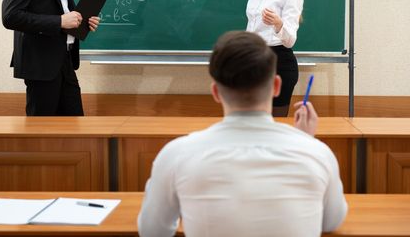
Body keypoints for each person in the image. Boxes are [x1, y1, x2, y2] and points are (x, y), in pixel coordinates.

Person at [138, 31, 347, 237]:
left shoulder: (177, 154)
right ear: (276, 86)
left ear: (216, 92)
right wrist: (304, 144)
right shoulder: (316, 152)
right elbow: (331, 221)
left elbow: (152, 231)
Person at [246, 0, 304, 117]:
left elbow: (290, 41)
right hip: (253, 60)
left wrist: (279, 24)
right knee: (253, 121)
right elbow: (252, 26)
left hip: (278, 63)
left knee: (275, 125)